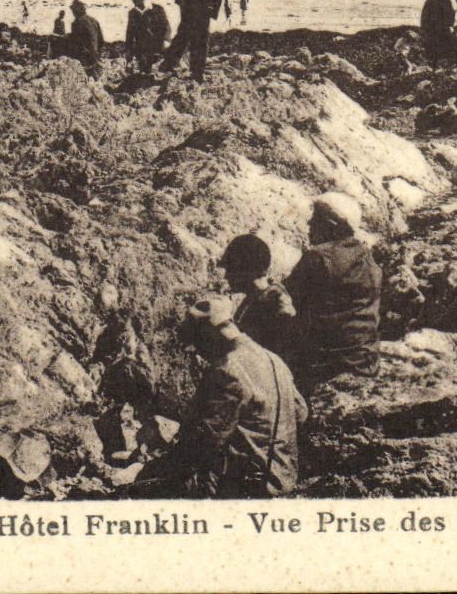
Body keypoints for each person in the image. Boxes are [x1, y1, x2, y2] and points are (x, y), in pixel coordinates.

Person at [125, 296, 304, 498]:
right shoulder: (274, 360)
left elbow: (205, 441)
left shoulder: (228, 369)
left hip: (246, 486)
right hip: (283, 479)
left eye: (198, 345)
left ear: (209, 335)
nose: (200, 355)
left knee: (145, 487)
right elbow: (300, 414)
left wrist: (154, 469)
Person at [284, 193, 380, 395]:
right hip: (365, 358)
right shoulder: (366, 254)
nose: (309, 223)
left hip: (327, 362)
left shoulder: (318, 257)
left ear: (330, 225)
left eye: (315, 218)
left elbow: (288, 295)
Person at [218, 233, 296, 366]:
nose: (226, 276)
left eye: (230, 270)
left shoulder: (275, 305)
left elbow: (279, 360)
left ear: (245, 270)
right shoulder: (256, 298)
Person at [419, 0, 457, 66]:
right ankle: (433, 60)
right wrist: (424, 29)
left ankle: (450, 60)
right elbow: (424, 17)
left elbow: (450, 13)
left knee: (451, 42)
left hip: (443, 28)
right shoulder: (429, 2)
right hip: (432, 29)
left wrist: (450, 25)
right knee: (433, 45)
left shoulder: (445, 0)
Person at [126, 0, 162, 73]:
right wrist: (128, 49)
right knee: (142, 61)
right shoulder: (132, 13)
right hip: (139, 43)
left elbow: (161, 27)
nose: (133, 0)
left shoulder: (153, 11)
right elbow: (130, 32)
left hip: (152, 42)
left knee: (149, 61)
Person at [67, 0, 103, 74]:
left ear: (78, 10)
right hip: (95, 55)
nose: (73, 13)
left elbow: (76, 42)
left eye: (73, 10)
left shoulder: (77, 23)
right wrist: (97, 53)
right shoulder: (94, 20)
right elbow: (101, 40)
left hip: (83, 57)